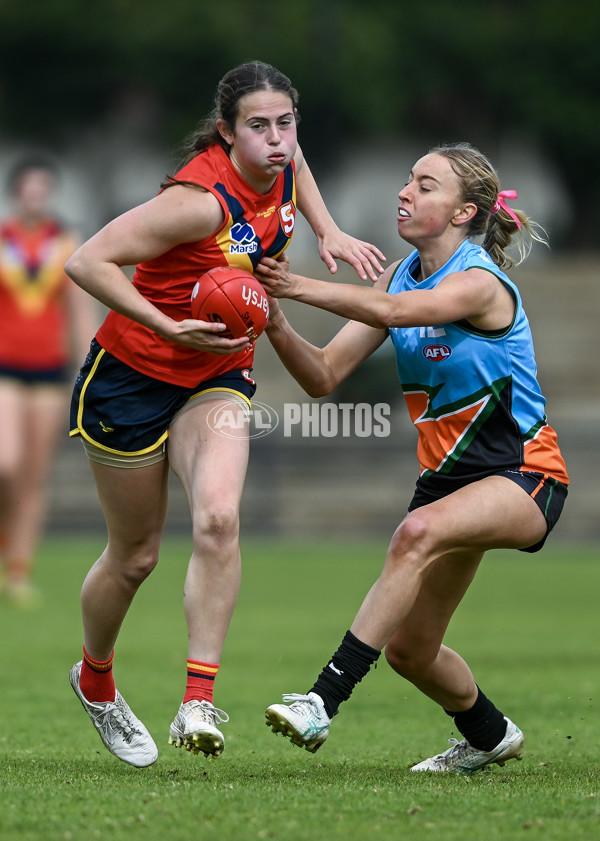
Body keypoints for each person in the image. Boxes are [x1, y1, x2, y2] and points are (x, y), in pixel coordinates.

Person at [65, 60, 385, 769]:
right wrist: (165, 323)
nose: (276, 139)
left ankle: (198, 698)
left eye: (285, 123)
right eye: (258, 127)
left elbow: (297, 166)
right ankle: (95, 680)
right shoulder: (198, 202)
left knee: (217, 517)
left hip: (217, 372)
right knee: (134, 556)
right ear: (226, 132)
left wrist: (328, 230)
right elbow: (87, 261)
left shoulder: (284, 161)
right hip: (131, 374)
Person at [258, 142, 569, 775]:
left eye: (425, 185)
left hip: (525, 475)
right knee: (411, 650)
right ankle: (489, 735)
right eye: (408, 179)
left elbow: (398, 314)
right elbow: (323, 375)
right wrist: (272, 317)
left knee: (415, 532)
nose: (405, 192)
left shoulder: (480, 283)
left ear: (464, 213)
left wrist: (294, 283)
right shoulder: (398, 275)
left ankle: (322, 700)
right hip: (448, 481)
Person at [0, 157, 97, 607]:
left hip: (49, 372)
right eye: (28, 187)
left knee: (34, 476)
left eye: (43, 187)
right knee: (7, 463)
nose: (35, 195)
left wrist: (89, 371)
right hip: (5, 369)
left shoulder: (66, 243)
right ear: (16, 192)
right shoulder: (3, 241)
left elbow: (80, 314)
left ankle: (18, 571)